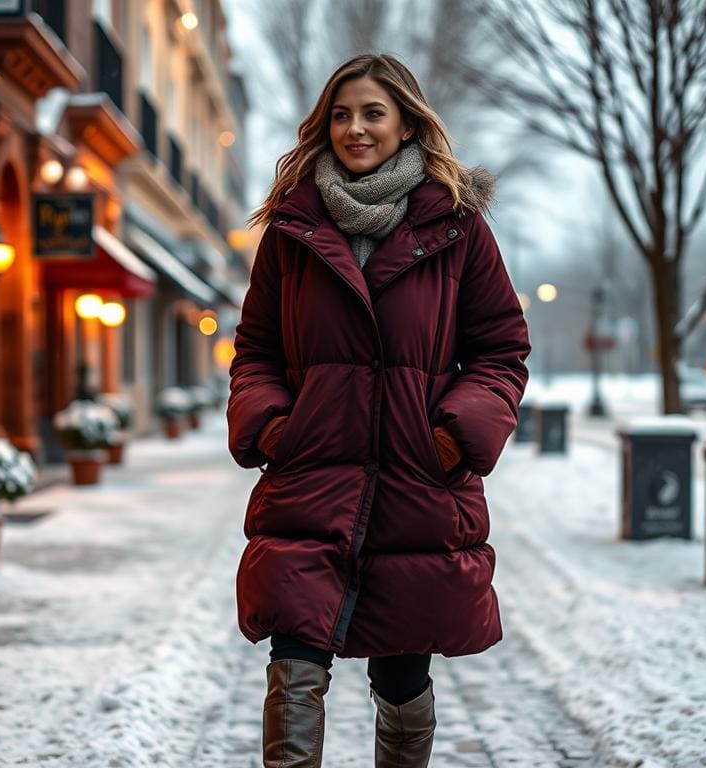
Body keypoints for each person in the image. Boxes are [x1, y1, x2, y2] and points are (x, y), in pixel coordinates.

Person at [227, 52, 531, 767]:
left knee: (401, 675)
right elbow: (256, 350)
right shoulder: (292, 230)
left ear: (405, 124)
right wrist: (274, 424)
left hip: (416, 484)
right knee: (295, 663)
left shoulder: (457, 228)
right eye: (341, 114)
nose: (355, 128)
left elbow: (501, 349)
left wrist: (453, 435)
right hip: (312, 477)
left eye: (372, 113)